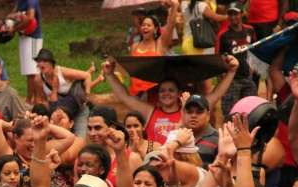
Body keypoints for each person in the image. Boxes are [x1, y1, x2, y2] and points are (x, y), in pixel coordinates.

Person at [102, 55, 239, 145]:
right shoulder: (150, 111)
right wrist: (109, 74)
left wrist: (231, 72)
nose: (166, 94)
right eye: (163, 90)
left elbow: (216, 95)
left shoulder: (191, 111)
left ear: (179, 93)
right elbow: (125, 97)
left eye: (171, 90)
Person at [33, 48, 92, 135]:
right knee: (61, 138)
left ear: (51, 63)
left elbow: (87, 76)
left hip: (78, 109)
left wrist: (87, 94)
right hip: (61, 115)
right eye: (39, 61)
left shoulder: (62, 72)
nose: (41, 63)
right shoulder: (38, 79)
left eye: (44, 61)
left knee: (80, 138)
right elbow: (40, 99)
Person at [129, 0, 179, 97]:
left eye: (148, 25)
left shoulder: (160, 44)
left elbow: (171, 24)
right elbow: (132, 71)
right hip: (136, 92)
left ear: (155, 29)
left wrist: (175, 6)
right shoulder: (135, 46)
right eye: (143, 25)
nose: (145, 27)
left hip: (154, 92)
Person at [217, 2, 258, 117]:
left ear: (242, 14)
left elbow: (255, 49)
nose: (233, 17)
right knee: (231, 114)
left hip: (248, 77)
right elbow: (218, 57)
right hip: (231, 80)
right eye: (230, 14)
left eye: (236, 14)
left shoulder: (250, 30)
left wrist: (253, 65)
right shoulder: (223, 35)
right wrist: (222, 78)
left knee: (251, 112)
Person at [11, 0, 43, 104]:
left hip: (33, 38)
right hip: (24, 37)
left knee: (33, 70)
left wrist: (14, 29)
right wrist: (7, 22)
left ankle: (33, 99)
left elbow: (30, 18)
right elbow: (12, 14)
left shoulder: (31, 1)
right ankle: (31, 98)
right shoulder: (19, 2)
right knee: (28, 71)